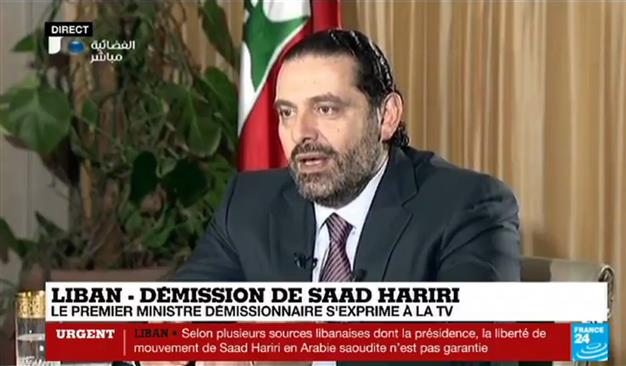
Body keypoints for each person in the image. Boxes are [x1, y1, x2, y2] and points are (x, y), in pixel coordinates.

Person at [148, 29, 521, 366]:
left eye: (325, 109)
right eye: (287, 113)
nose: (301, 133)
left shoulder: (467, 205)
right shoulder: (248, 203)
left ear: (386, 116)